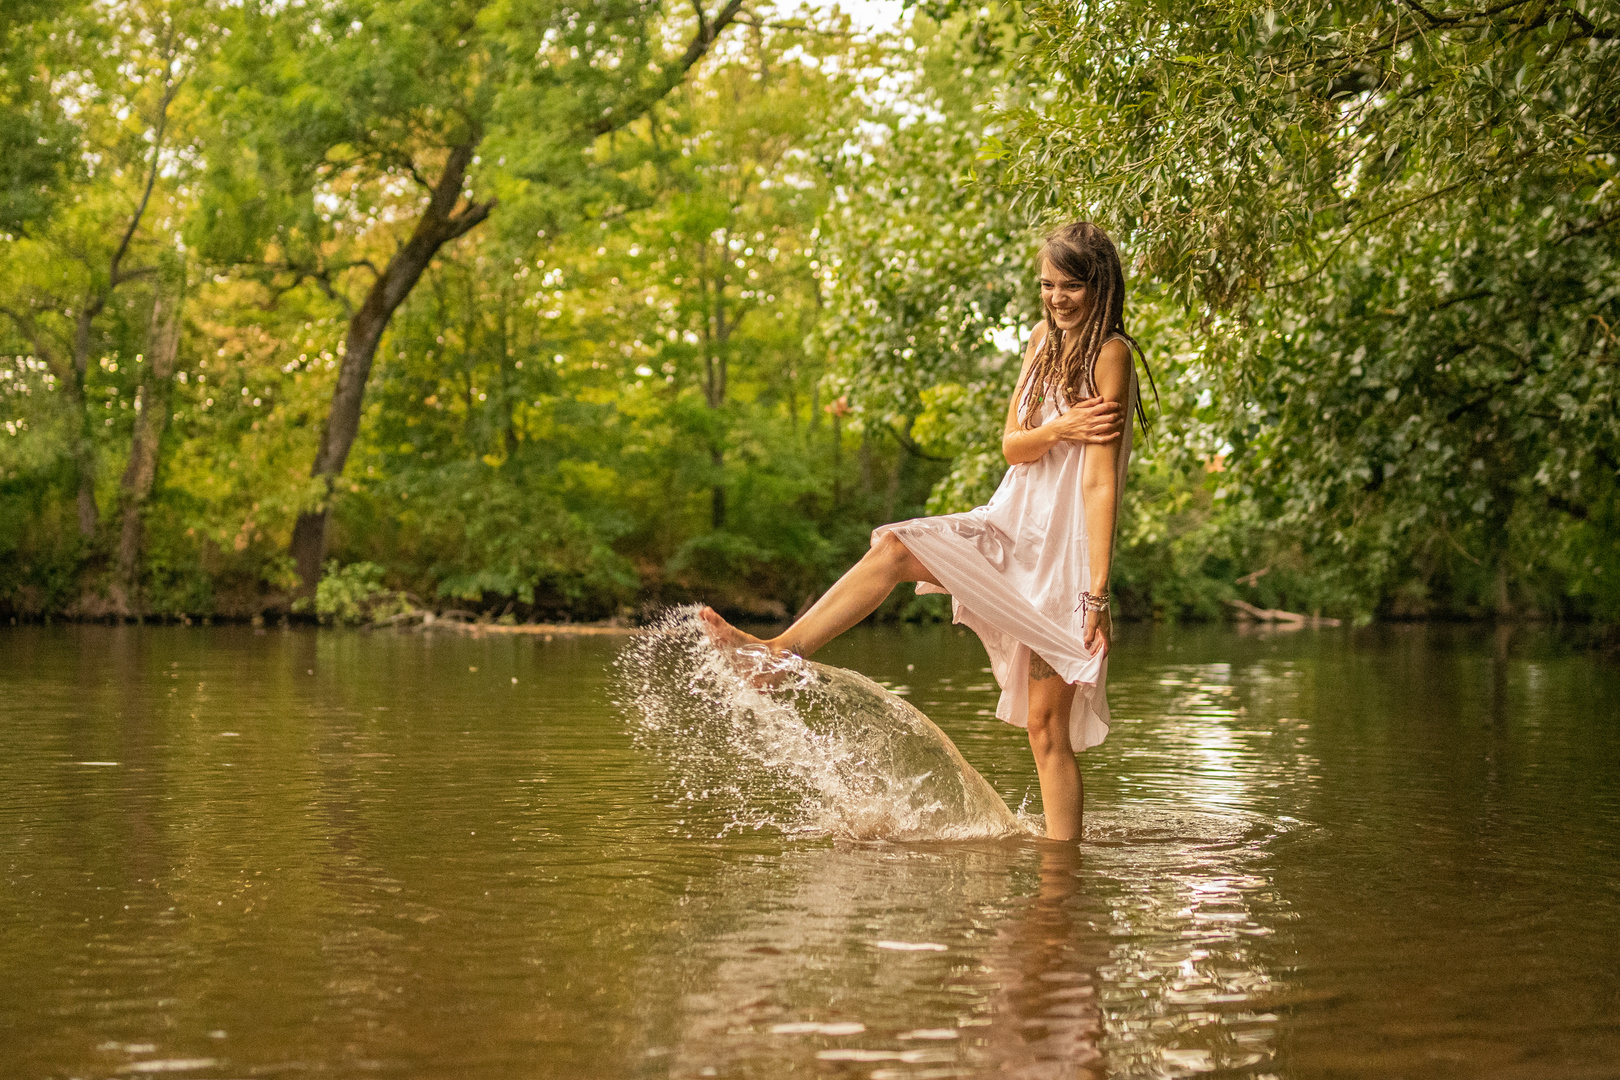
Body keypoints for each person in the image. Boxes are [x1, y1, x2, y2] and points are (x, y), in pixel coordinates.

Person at [702, 222, 1149, 840]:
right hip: (1009, 527)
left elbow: (1100, 484)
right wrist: (1060, 429)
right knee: (893, 547)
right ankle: (779, 655)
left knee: (1048, 731)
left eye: (1069, 285)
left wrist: (1096, 592)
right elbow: (1014, 447)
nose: (1055, 297)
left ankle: (1061, 875)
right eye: (1046, 284)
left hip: (1062, 561)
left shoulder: (1110, 354)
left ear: (1098, 285)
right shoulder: (1042, 341)